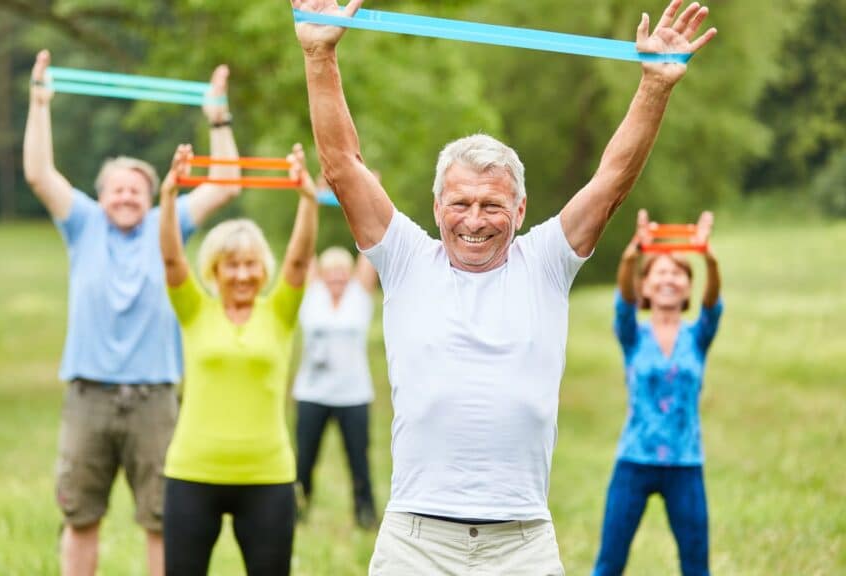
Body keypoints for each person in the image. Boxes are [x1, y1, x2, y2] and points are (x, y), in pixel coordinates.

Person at [290, 0, 717, 572]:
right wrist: (319, 53)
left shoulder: (544, 261)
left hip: (522, 541)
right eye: (460, 203)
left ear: (520, 209)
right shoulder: (406, 258)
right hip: (415, 538)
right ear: (436, 206)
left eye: (492, 204)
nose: (474, 219)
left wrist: (655, 87)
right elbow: (342, 166)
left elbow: (612, 180)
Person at [22, 50, 242, 576]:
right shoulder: (83, 223)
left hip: (155, 399)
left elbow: (227, 182)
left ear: (152, 196)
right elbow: (37, 173)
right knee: (80, 517)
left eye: (136, 190)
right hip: (88, 395)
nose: (125, 196)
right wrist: (39, 103)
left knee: (162, 521)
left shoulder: (169, 224)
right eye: (116, 189)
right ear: (100, 196)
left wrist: (218, 117)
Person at [159, 143, 318, 576]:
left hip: (267, 476)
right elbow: (172, 259)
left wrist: (307, 198)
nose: (243, 274)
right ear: (214, 269)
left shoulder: (280, 312)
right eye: (232, 265)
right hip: (193, 472)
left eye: (250, 264)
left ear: (263, 269)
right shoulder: (194, 310)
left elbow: (300, 261)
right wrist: (169, 196)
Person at [592, 210, 722, 576]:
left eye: (678, 273)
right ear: (645, 287)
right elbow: (622, 303)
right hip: (634, 459)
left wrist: (708, 259)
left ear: (687, 287)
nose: (669, 279)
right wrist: (632, 256)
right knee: (609, 562)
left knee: (696, 566)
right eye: (660, 272)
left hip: (685, 463)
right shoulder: (634, 336)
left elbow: (713, 305)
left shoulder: (698, 337)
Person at [293, 247, 379, 528]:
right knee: (304, 459)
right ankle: (296, 513)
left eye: (342, 271)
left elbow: (369, 247)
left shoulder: (359, 296)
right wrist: (311, 204)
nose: (337, 277)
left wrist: (354, 202)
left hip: (353, 396)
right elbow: (304, 251)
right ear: (321, 275)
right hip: (311, 394)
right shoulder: (312, 295)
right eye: (330, 272)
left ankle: (365, 517)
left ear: (351, 274)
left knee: (359, 461)